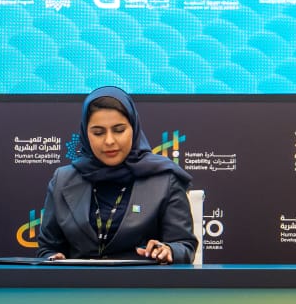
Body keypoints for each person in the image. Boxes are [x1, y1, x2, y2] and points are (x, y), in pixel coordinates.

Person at [37, 86, 197, 264]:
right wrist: (53, 258)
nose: (109, 141)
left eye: (119, 130)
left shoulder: (164, 179)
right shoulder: (63, 180)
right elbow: (47, 248)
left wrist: (168, 250)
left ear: (134, 128)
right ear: (85, 134)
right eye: (98, 133)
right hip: (78, 281)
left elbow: (184, 246)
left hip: (143, 281)